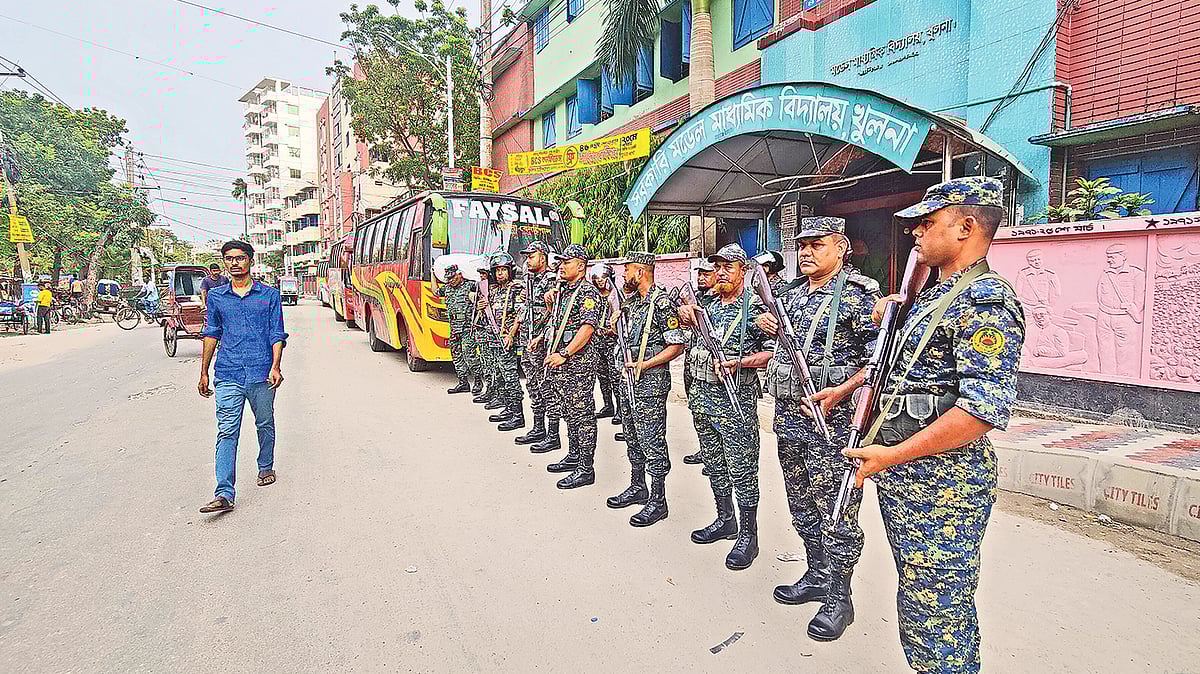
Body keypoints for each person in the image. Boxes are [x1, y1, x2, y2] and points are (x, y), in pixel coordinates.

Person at [816, 177, 1025, 673]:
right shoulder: (936, 297)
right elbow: (901, 371)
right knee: (918, 607)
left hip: (943, 486)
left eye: (927, 223)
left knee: (939, 620)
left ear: (966, 227)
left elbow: (979, 412)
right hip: (909, 479)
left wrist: (892, 455)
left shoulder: (985, 301)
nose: (914, 233)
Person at [755, 217, 881, 641]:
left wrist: (842, 389)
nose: (806, 252)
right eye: (802, 245)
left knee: (838, 511)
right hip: (789, 416)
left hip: (833, 424)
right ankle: (816, 573)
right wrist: (771, 333)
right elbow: (785, 348)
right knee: (801, 504)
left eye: (817, 244)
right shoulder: (789, 296)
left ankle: (839, 598)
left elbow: (879, 362)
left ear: (841, 247)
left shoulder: (860, 296)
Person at [679, 243, 774, 570]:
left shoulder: (757, 310)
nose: (720, 273)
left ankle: (749, 535)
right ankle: (725, 519)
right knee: (714, 464)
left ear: (743, 271)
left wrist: (741, 363)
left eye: (727, 267)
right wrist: (684, 314)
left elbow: (775, 352)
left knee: (742, 469)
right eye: (717, 267)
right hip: (702, 399)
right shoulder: (708, 306)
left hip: (735, 404)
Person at [197, 240, 288, 514]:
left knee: (264, 423)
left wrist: (276, 366)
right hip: (228, 372)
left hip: (261, 372)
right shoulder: (217, 297)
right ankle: (224, 492)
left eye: (240, 258)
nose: (234, 263)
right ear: (224, 262)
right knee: (227, 431)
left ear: (250, 260)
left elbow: (276, 333)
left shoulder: (269, 296)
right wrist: (203, 371)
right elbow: (212, 332)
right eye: (229, 258)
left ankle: (265, 466)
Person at [606, 252, 686, 526]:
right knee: (631, 435)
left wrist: (646, 363)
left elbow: (676, 346)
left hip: (649, 384)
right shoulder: (632, 303)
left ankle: (658, 499)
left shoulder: (661, 304)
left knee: (652, 440)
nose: (623, 274)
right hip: (627, 381)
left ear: (641, 272)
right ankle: (638, 485)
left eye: (627, 269)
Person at [542, 244, 602, 489]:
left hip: (577, 364)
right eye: (560, 262)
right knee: (568, 412)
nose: (561, 266)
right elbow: (557, 323)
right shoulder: (563, 291)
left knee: (583, 415)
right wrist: (549, 305)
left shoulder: (587, 293)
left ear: (581, 266)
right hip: (562, 363)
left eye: (567, 262)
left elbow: (587, 329)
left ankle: (586, 469)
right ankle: (574, 455)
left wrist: (564, 353)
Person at [515, 241, 557, 446]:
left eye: (532, 256)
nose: (528, 259)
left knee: (547, 386)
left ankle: (553, 435)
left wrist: (541, 336)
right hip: (528, 340)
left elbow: (555, 315)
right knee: (532, 385)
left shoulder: (552, 281)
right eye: (527, 256)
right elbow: (527, 309)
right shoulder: (530, 280)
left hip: (542, 342)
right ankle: (539, 427)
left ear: (543, 258)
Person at [681, 259, 718, 467]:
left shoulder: (718, 301)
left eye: (706, 274)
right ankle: (705, 450)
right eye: (699, 274)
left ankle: (716, 457)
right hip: (693, 363)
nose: (701, 278)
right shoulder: (696, 298)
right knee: (698, 410)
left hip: (714, 366)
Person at [486, 253, 526, 431]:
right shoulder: (494, 290)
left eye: (503, 270)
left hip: (508, 338)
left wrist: (511, 334)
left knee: (510, 376)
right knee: (501, 374)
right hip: (495, 337)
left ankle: (518, 415)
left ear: (510, 271)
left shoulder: (516, 288)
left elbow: (520, 313)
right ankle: (509, 409)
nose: (500, 274)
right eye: (497, 271)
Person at [438, 265, 475, 393]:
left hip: (467, 327)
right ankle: (463, 383)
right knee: (456, 355)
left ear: (459, 274)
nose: (451, 280)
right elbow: (434, 291)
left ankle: (478, 381)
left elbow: (486, 288)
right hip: (454, 328)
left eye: (453, 277)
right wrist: (432, 274)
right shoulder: (447, 288)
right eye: (448, 278)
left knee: (469, 354)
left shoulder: (470, 285)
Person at [590, 264, 619, 421]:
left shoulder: (616, 297)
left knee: (615, 376)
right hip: (597, 342)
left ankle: (621, 409)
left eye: (603, 278)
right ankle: (608, 405)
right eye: (597, 279)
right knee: (602, 375)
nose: (600, 282)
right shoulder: (593, 297)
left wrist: (611, 331)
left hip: (612, 342)